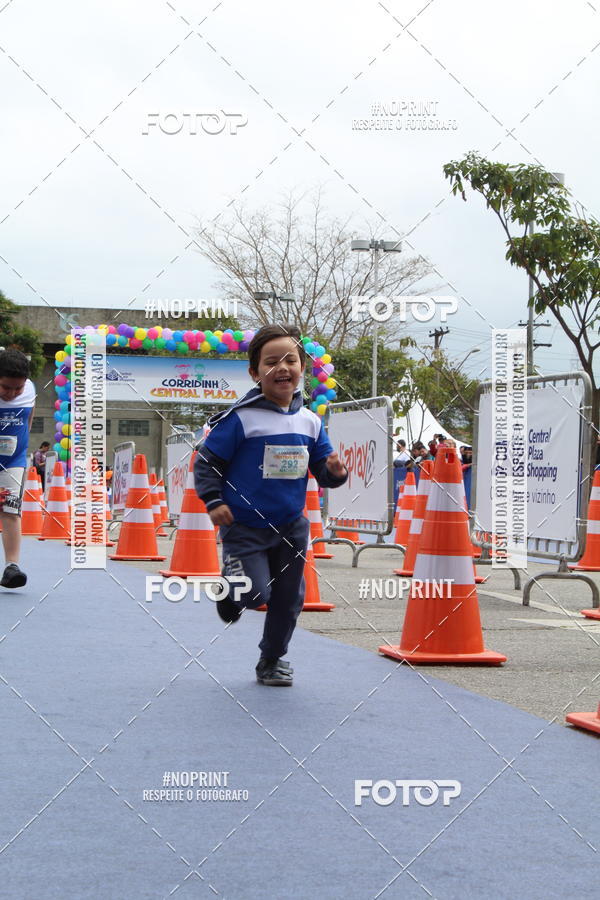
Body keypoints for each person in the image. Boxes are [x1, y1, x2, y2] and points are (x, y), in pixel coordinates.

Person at [194, 324, 348, 687]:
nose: (283, 368)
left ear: (302, 369)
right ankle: (230, 589)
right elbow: (207, 463)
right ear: (254, 372)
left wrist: (334, 473)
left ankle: (272, 659)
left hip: (291, 525)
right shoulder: (241, 418)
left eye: (290, 360)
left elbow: (322, 470)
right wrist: (213, 500)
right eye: (271, 361)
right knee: (256, 593)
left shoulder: (310, 421)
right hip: (244, 525)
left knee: (289, 597)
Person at [0, 349, 36, 588]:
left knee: (11, 511)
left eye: (18, 389)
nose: (12, 394)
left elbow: (29, 420)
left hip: (13, 462)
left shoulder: (31, 390)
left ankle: (11, 567)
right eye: (5, 388)